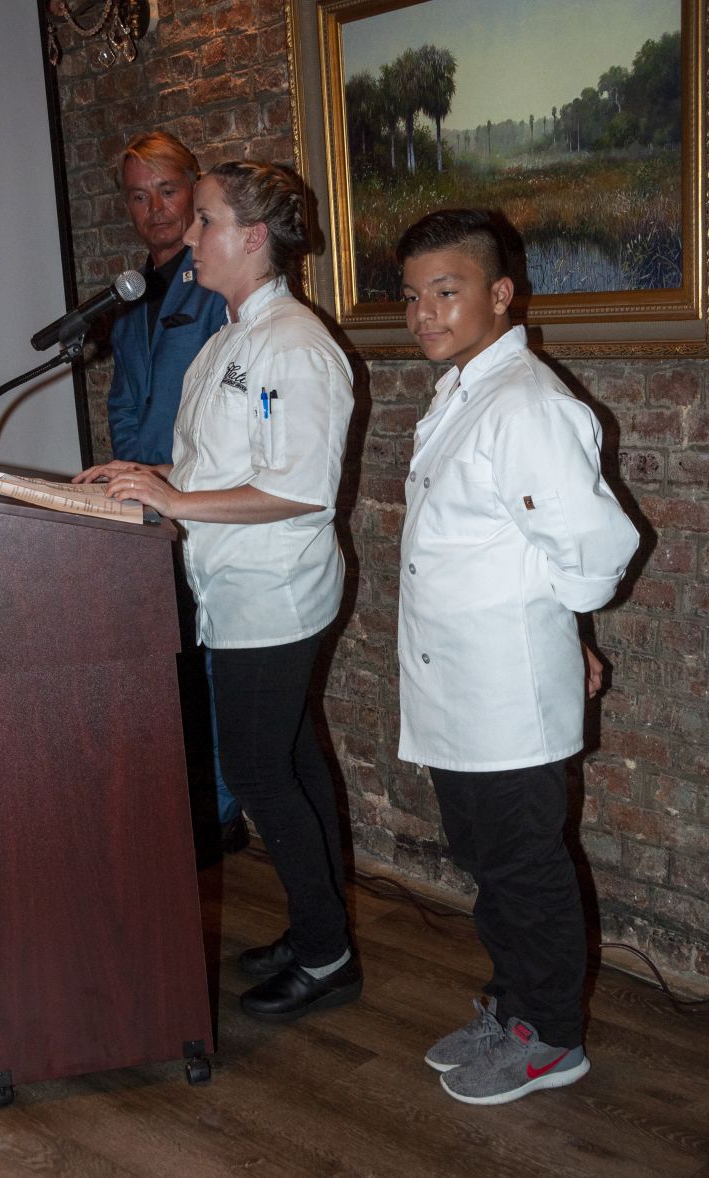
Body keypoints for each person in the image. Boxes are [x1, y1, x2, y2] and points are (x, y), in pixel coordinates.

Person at [76, 160, 360, 1022]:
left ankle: (327, 956)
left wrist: (173, 501)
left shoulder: (295, 345)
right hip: (237, 586)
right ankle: (321, 931)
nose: (189, 236)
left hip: (272, 594)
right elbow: (216, 468)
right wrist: (147, 476)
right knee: (292, 763)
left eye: (205, 220)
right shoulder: (227, 338)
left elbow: (299, 488)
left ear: (254, 237)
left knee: (258, 772)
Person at [395, 209, 639, 1105]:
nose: (424, 312)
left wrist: (565, 627)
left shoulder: (526, 404)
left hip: (504, 692)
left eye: (446, 291)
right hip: (460, 685)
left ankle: (552, 1038)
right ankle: (515, 1005)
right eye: (412, 296)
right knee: (488, 860)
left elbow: (597, 548)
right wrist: (571, 629)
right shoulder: (465, 390)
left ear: (500, 294)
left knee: (524, 868)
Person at [109, 130, 247, 855]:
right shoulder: (131, 295)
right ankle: (178, 807)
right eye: (139, 196)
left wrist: (170, 477)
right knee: (163, 665)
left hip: (204, 507)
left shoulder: (217, 285)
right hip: (146, 510)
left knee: (212, 667)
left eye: (167, 190)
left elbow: (233, 411)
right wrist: (130, 477)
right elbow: (124, 402)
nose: (155, 209)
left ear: (193, 188)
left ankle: (218, 814)